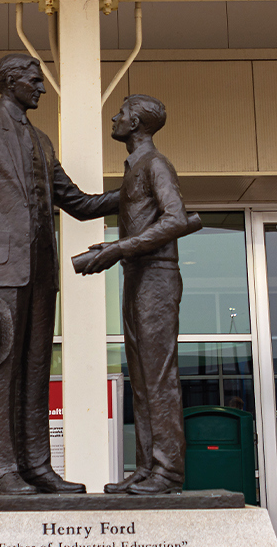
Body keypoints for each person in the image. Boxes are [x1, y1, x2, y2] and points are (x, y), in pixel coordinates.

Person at [0, 53, 117, 495]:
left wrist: (133, 190)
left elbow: (78, 203)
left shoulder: (42, 142)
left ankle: (37, 466)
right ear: (10, 82)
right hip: (0, 272)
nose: (42, 88)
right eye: (34, 80)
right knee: (2, 372)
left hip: (42, 274)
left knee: (38, 370)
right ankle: (2, 471)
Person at [72, 93, 202, 495]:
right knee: (143, 379)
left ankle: (167, 472)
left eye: (122, 113)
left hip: (157, 278)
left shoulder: (155, 164)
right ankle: (148, 469)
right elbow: (86, 205)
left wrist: (117, 249)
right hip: (137, 276)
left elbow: (176, 218)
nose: (115, 117)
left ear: (137, 124)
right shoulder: (134, 172)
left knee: (158, 377)